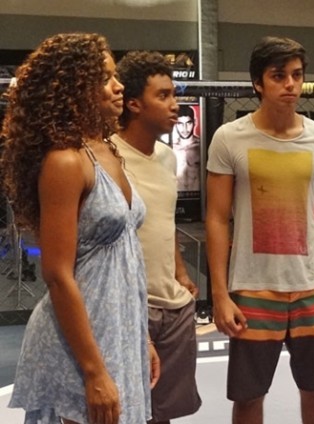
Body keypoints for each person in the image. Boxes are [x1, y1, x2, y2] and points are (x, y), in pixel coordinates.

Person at [1, 33, 159, 424]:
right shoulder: (66, 162)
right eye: (104, 78)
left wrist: (139, 335)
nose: (118, 86)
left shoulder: (105, 149)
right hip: (79, 346)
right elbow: (57, 274)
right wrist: (93, 370)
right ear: (75, 88)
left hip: (117, 331)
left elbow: (123, 262)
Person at [206, 36, 314, 424]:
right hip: (253, 289)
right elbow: (216, 218)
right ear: (258, 83)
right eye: (278, 76)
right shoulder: (229, 138)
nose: (290, 84)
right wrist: (220, 294)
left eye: (297, 75)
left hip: (313, 287)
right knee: (248, 397)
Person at [113, 50, 202, 424]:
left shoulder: (168, 157)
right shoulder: (106, 157)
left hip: (173, 304)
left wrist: (180, 271)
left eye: (174, 94)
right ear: (134, 103)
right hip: (126, 305)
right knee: (123, 412)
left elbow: (163, 222)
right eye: (162, 96)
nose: (174, 105)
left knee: (163, 413)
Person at [172, 104, 201, 192]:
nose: (185, 128)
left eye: (188, 123)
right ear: (175, 124)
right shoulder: (170, 148)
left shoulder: (202, 147)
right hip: (176, 196)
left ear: (195, 122)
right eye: (180, 124)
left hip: (198, 196)